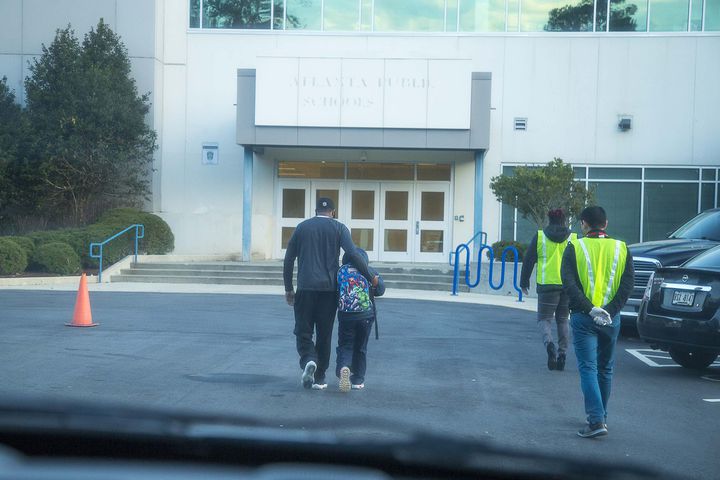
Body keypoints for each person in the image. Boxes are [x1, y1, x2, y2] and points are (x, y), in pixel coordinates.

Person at [283, 197, 378, 391]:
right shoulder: (339, 228)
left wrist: (288, 288)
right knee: (324, 334)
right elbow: (353, 255)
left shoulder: (302, 227)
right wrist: (370, 276)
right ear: (333, 212)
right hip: (329, 291)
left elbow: (289, 258)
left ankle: (309, 359)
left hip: (306, 288)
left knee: (303, 330)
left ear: (315, 210)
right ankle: (319, 378)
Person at [561, 206, 634, 438]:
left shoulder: (575, 246)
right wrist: (610, 310)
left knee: (588, 368)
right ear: (606, 223)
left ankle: (595, 421)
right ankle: (601, 417)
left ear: (584, 224)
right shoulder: (622, 248)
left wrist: (590, 309)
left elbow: (569, 283)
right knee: (605, 369)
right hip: (611, 319)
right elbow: (627, 285)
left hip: (584, 317)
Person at [520, 209, 577, 371]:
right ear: (564, 220)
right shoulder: (573, 238)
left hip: (546, 286)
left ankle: (549, 345)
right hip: (567, 286)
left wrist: (524, 283)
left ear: (549, 219)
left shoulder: (540, 236)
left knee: (544, 320)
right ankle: (562, 354)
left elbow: (529, 260)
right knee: (563, 320)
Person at [335, 248, 385, 393]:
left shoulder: (341, 271)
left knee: (345, 345)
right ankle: (358, 380)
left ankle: (344, 367)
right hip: (365, 316)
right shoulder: (368, 270)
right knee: (361, 348)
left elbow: (335, 292)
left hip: (346, 315)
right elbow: (380, 290)